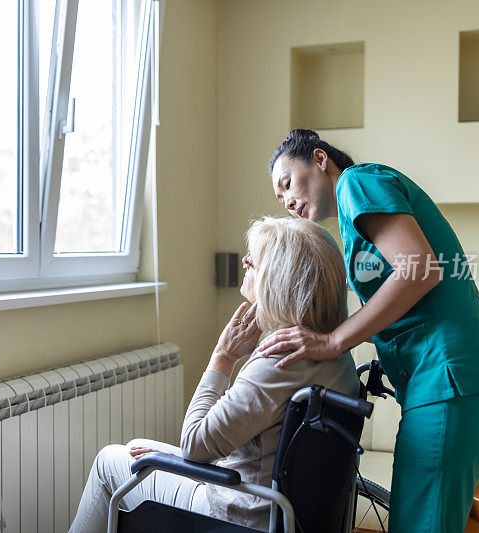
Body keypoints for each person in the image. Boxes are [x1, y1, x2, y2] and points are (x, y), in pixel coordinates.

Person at [253, 129, 479, 532]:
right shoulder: (353, 218)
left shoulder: (357, 183)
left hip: (450, 383)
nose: (288, 201)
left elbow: (419, 268)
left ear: (320, 159)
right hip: (462, 383)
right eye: (279, 198)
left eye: (288, 183)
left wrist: (332, 341)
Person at [68, 216, 360, 533]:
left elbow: (194, 444)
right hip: (284, 509)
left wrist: (223, 357)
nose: (245, 261)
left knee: (108, 462)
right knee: (138, 447)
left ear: (278, 279)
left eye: (257, 259)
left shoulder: (277, 365)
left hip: (241, 513)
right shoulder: (336, 354)